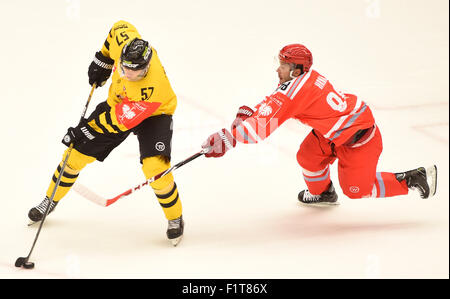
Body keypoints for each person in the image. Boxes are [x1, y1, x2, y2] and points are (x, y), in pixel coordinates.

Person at [202, 44, 437, 204]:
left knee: (357, 191)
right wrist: (248, 117)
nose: (277, 69)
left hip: (360, 140)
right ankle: (323, 193)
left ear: (296, 70)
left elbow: (260, 128)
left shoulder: (294, 89)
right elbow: (273, 104)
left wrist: (228, 137)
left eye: (283, 65)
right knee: (308, 156)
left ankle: (412, 179)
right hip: (335, 132)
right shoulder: (303, 79)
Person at [28, 20, 184, 246]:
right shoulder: (125, 43)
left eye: (136, 70)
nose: (128, 73)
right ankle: (49, 200)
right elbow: (118, 27)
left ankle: (175, 217)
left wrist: (83, 130)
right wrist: (103, 60)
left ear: (147, 66)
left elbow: (116, 122)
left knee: (156, 169)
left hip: (154, 114)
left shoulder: (151, 88)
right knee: (74, 156)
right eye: (124, 67)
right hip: (117, 105)